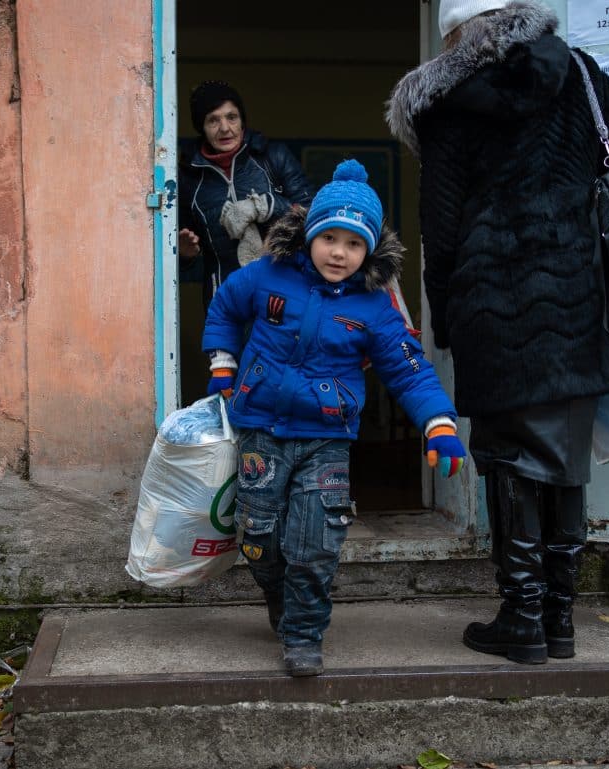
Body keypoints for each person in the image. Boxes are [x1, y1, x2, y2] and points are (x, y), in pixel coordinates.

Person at [386, 0, 609, 664]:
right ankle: (558, 618)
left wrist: (444, 318)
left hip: (494, 298)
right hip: (582, 295)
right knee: (565, 460)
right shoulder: (584, 74)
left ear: (457, 30)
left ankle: (523, 616)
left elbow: (442, 230)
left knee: (508, 457)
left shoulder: (450, 102)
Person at [202, 159, 466, 676]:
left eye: (354, 243)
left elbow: (410, 372)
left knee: (315, 542)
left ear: (368, 250)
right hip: (261, 429)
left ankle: (303, 632)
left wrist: (440, 423)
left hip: (327, 439)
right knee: (257, 537)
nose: (339, 252)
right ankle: (281, 598)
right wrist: (222, 363)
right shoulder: (267, 274)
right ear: (310, 234)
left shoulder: (374, 306)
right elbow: (225, 308)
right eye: (330, 238)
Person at [179, 80, 314, 310]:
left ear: (242, 121)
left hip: (285, 295)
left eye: (232, 117)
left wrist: (267, 206)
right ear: (201, 126)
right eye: (213, 120)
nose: (225, 128)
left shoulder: (274, 157)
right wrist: (184, 254)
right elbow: (181, 257)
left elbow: (314, 216)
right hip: (226, 301)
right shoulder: (188, 177)